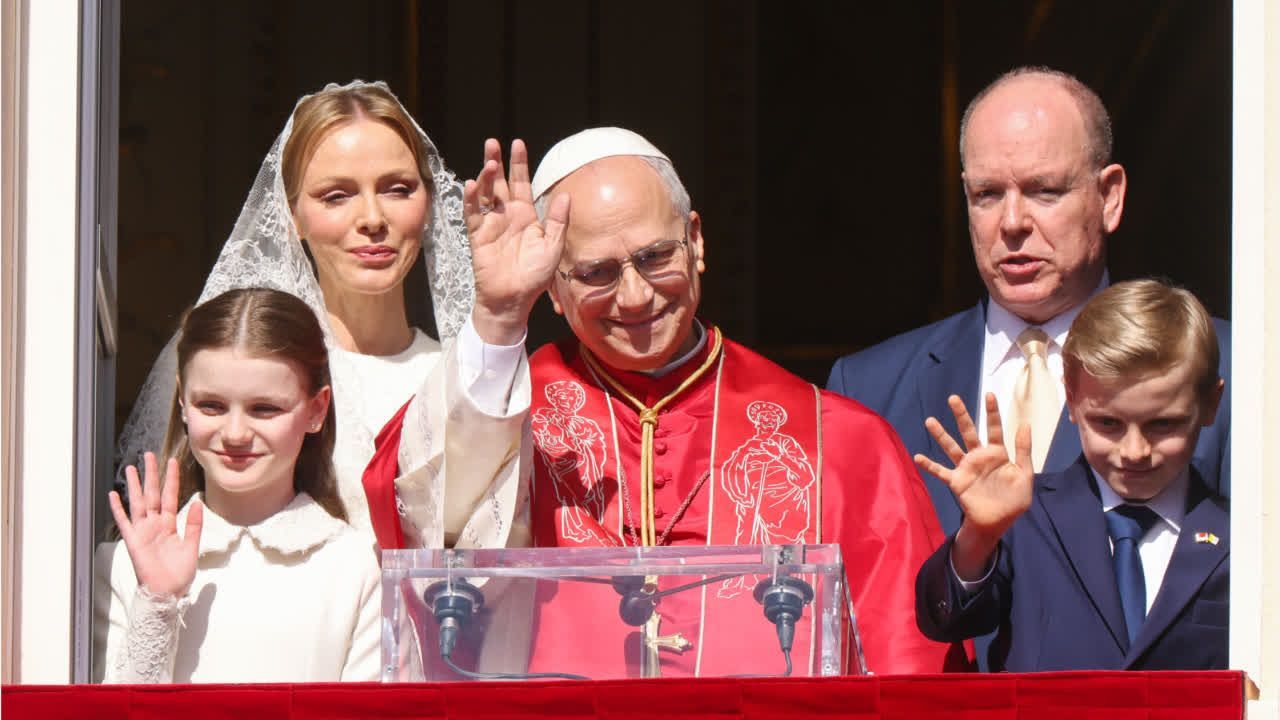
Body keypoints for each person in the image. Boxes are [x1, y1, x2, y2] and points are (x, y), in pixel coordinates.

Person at [517, 127, 966, 676]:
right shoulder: (503, 420)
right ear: (552, 288)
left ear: (696, 240)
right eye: (596, 273)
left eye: (656, 256)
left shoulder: (843, 443)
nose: (634, 298)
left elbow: (907, 667)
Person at [116, 81, 548, 551]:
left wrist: (502, 314)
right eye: (336, 195)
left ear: (428, 206)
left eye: (398, 189)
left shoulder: (468, 378)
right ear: (292, 215)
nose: (372, 217)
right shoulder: (231, 368)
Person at [826, 67, 1232, 538]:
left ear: (1109, 198)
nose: (1012, 222)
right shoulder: (870, 389)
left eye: (1044, 191)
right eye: (987, 194)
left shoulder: (1234, 366)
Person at [914, 279, 1229, 671]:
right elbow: (946, 620)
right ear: (1072, 400)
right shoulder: (1027, 518)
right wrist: (978, 536)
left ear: (1211, 403)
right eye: (1109, 423)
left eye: (1163, 425)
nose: (1135, 451)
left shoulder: (1243, 537)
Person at [94, 288, 381, 683]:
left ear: (317, 410)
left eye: (265, 409)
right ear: (181, 401)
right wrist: (157, 600)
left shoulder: (357, 566)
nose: (234, 433)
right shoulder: (123, 566)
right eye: (210, 405)